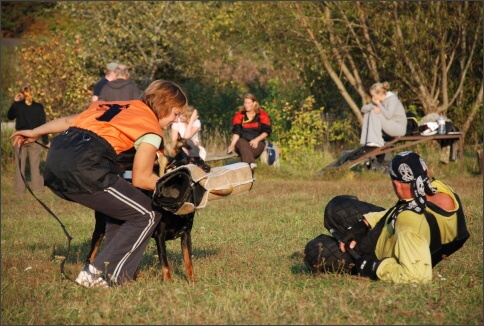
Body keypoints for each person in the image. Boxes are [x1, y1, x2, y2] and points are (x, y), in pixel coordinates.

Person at [10, 80, 188, 288]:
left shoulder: (116, 106)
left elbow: (70, 121)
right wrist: (179, 190)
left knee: (122, 212)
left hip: (56, 165)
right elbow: (141, 178)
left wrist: (35, 131)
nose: (176, 120)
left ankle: (117, 277)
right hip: (87, 167)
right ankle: (97, 273)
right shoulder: (149, 127)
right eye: (176, 113)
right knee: (147, 214)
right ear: (164, 105)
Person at [304, 151, 469, 284]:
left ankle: (350, 253)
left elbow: (418, 276)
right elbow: (405, 208)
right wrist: (364, 223)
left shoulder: (409, 222)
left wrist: (374, 266)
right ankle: (347, 238)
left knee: (314, 250)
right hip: (389, 223)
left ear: (396, 184)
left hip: (379, 249)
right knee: (335, 207)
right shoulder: (441, 190)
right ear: (426, 172)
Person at [7, 86, 49, 195]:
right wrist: (45, 141)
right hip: (34, 137)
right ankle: (38, 190)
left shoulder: (18, 106)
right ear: (32, 93)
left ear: (20, 94)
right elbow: (43, 124)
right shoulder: (39, 107)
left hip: (20, 137)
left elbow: (9, 116)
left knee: (19, 165)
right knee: (35, 165)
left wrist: (15, 102)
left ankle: (19, 191)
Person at [227, 93, 272, 165]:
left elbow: (266, 131)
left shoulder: (262, 114)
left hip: (257, 143)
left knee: (245, 152)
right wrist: (232, 144)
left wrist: (256, 140)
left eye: (249, 103)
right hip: (243, 144)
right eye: (245, 103)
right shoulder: (239, 115)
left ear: (254, 103)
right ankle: (250, 165)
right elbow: (237, 132)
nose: (246, 105)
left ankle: (246, 166)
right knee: (241, 142)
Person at [360, 81, 407, 149]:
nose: (372, 97)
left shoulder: (392, 99)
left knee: (374, 112)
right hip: (390, 125)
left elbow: (388, 115)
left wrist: (379, 105)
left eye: (373, 95)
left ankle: (377, 141)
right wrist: (373, 106)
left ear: (379, 94)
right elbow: (363, 109)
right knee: (369, 112)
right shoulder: (378, 101)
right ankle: (364, 142)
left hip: (399, 128)